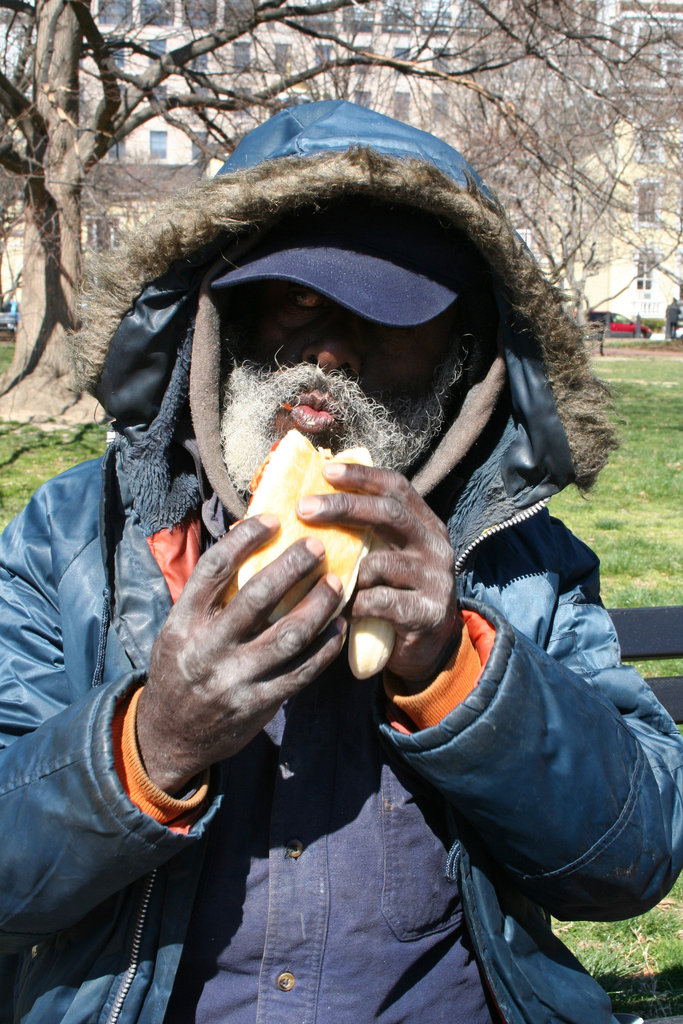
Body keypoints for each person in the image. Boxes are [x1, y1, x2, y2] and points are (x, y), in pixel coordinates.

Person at [1, 100, 681, 1024]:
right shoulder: (77, 535)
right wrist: (152, 744)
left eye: (384, 314)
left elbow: (629, 859)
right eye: (294, 299)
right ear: (223, 320)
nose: (324, 350)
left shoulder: (522, 566)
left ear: (461, 360)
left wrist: (456, 668)